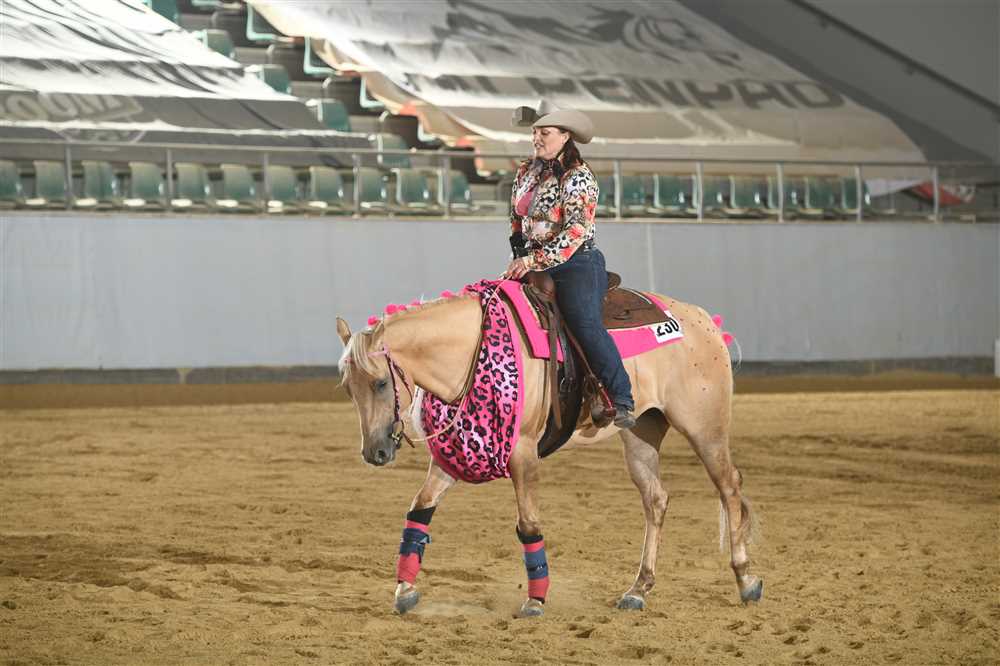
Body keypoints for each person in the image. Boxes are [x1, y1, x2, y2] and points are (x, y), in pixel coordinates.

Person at [502, 101, 636, 429]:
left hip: (576, 262)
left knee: (583, 320)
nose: (537, 138)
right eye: (535, 132)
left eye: (545, 132)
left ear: (565, 136)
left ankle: (620, 396)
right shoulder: (526, 171)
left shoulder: (579, 176)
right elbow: (516, 217)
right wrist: (519, 253)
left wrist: (533, 260)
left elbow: (575, 231)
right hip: (533, 260)